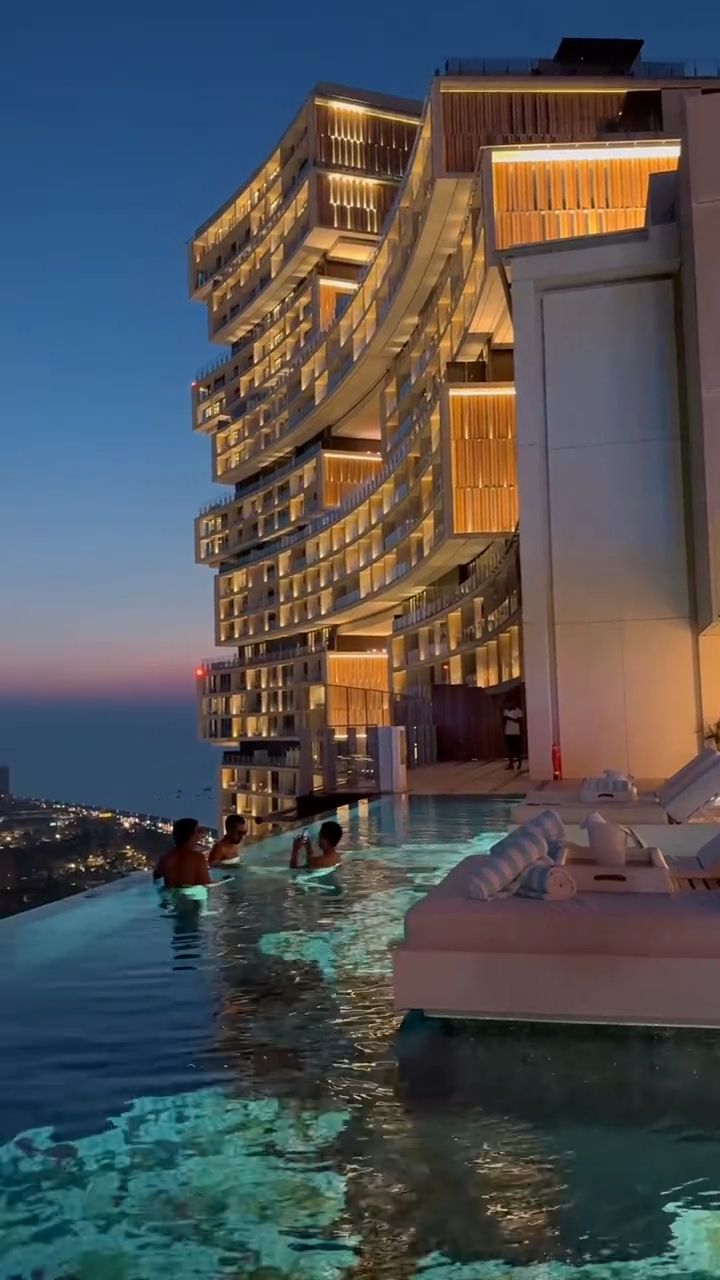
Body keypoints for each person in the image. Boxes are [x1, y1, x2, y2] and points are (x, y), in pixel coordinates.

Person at [153, 818, 210, 889]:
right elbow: (206, 885)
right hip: (189, 898)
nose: (199, 836)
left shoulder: (164, 858)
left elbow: (156, 880)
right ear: (190, 836)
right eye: (197, 831)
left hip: (169, 898)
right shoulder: (197, 858)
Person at [503, 700, 523, 772]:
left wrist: (510, 718)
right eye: (507, 703)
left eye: (510, 702)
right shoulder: (505, 711)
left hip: (516, 732)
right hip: (508, 732)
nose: (508, 704)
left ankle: (519, 763)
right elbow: (504, 721)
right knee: (509, 749)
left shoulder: (518, 711)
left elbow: (519, 721)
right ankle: (511, 764)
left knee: (517, 750)